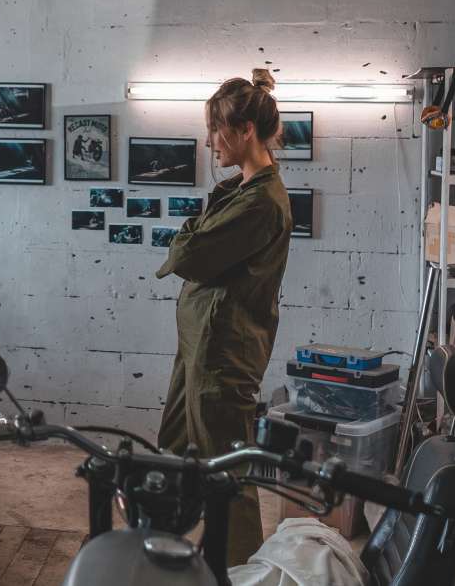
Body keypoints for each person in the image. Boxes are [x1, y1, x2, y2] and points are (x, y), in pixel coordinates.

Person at [155, 68, 292, 567]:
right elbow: (194, 246)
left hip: (222, 352)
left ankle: (237, 572)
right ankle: (161, 550)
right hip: (199, 346)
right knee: (171, 452)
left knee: (228, 473)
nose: (210, 141)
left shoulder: (260, 203)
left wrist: (188, 234)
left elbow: (188, 255)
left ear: (246, 131)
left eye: (217, 129)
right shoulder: (240, 190)